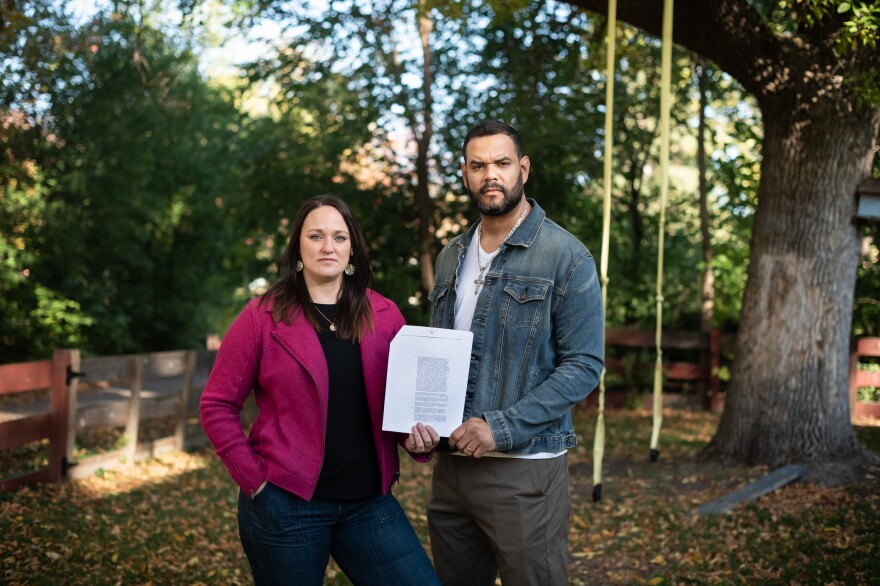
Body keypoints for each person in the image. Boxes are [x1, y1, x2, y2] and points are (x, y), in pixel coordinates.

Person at [200, 194, 441, 586]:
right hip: (285, 503)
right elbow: (217, 404)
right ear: (298, 248)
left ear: (352, 250)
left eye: (339, 237)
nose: (328, 246)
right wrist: (255, 482)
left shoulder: (385, 315)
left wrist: (418, 441)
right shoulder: (260, 317)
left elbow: (400, 404)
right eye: (315, 236)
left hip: (369, 504)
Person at [426, 121, 604, 586]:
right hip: (451, 470)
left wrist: (500, 428)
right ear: (464, 174)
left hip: (523, 471)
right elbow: (440, 355)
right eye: (478, 165)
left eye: (502, 163)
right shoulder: (451, 256)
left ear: (522, 169)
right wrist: (421, 421)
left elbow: (584, 366)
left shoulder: (566, 257)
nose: (491, 175)